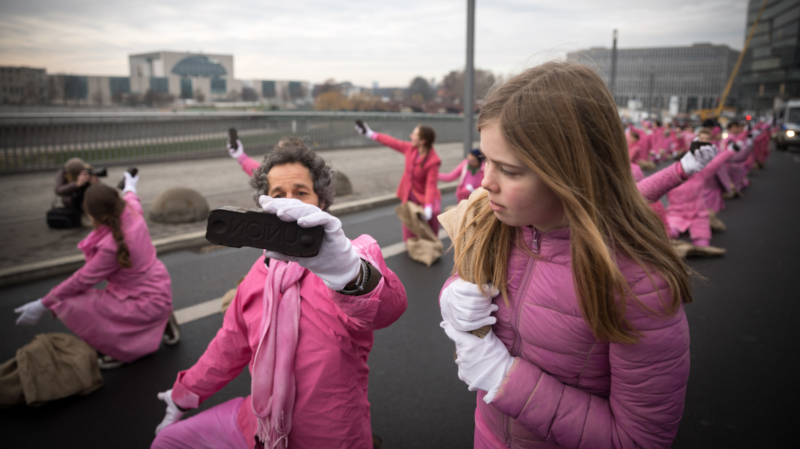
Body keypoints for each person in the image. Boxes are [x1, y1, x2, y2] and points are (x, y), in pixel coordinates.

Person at [438, 62, 693, 448]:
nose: (486, 181)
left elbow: (638, 440)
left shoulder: (639, 285)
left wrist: (505, 378)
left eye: (508, 169)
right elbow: (469, 273)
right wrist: (453, 292)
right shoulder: (495, 223)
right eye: (487, 160)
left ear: (571, 172)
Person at [152, 137, 407, 449]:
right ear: (264, 206)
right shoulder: (256, 276)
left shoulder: (350, 257)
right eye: (278, 195)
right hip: (258, 425)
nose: (290, 204)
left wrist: (347, 274)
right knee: (168, 442)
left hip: (331, 435)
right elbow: (228, 348)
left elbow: (388, 308)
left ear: (322, 202)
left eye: (301, 193)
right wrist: (183, 396)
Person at [15, 174, 178, 369]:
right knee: (110, 302)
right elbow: (131, 196)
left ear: (92, 216)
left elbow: (80, 280)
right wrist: (130, 184)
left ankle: (119, 350)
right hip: (159, 283)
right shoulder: (131, 210)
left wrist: (43, 303)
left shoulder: (110, 246)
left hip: (142, 299)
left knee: (70, 301)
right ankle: (164, 318)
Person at [356, 122, 441, 241]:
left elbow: (430, 186)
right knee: (409, 230)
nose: (410, 136)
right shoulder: (410, 149)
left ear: (422, 141)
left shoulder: (433, 160)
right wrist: (370, 134)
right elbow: (392, 142)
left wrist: (428, 207)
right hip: (409, 197)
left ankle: (431, 248)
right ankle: (412, 248)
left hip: (423, 198)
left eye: (414, 134)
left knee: (429, 229)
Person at [53, 157, 98, 226]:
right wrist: (77, 184)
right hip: (72, 198)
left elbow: (100, 187)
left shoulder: (88, 170)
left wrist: (95, 183)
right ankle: (81, 217)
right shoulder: (63, 172)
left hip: (86, 194)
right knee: (73, 199)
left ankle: (92, 216)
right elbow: (58, 190)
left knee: (91, 197)